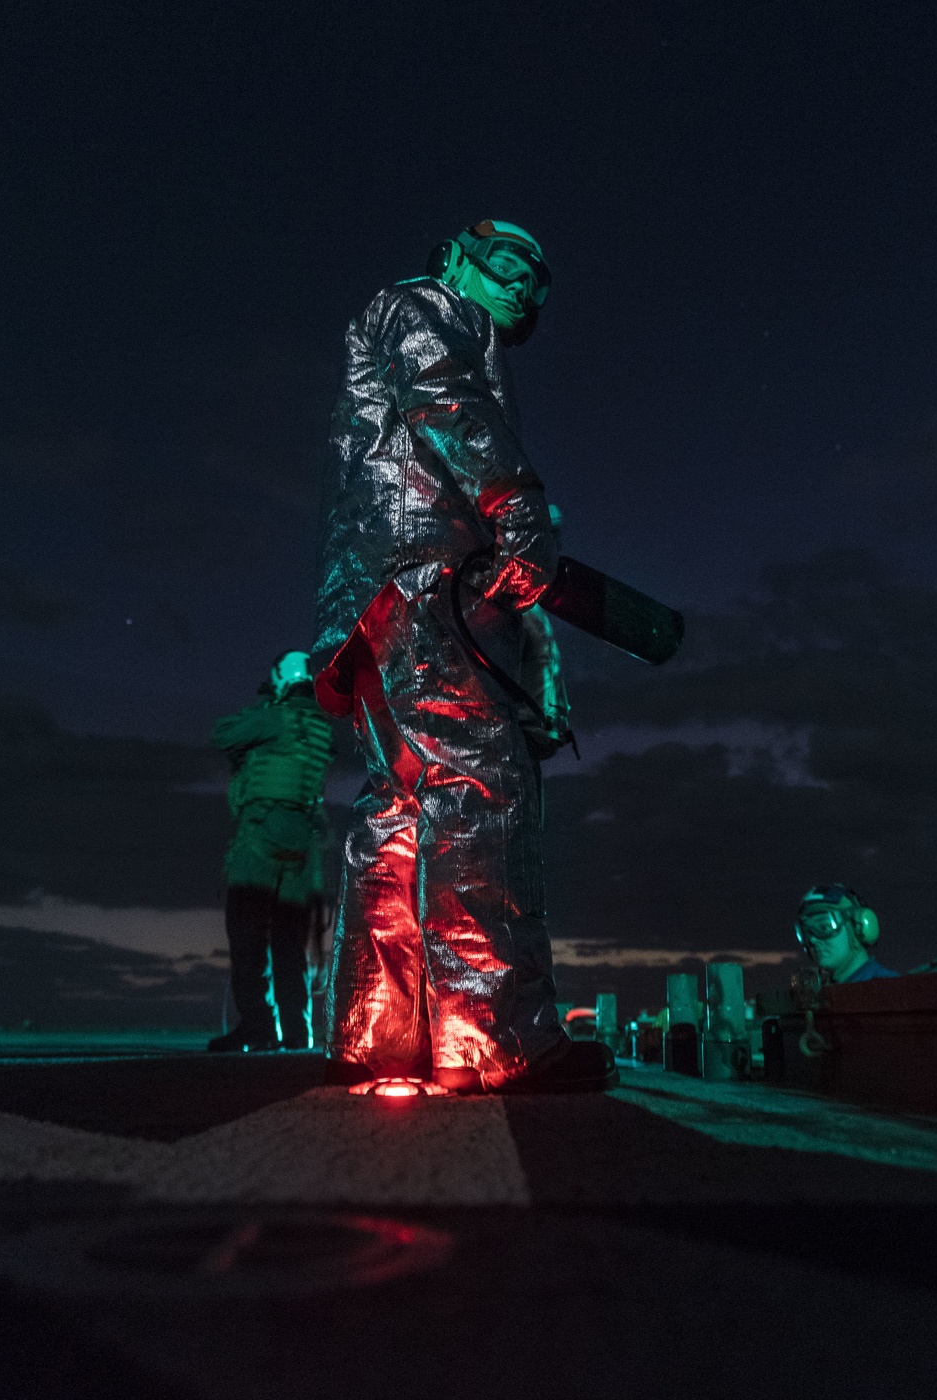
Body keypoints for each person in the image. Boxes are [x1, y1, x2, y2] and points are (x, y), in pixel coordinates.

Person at [312, 218, 615, 1093]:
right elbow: (449, 400)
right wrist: (519, 508)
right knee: (482, 784)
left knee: (400, 805)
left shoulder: (405, 318)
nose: (523, 284)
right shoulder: (425, 307)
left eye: (535, 279)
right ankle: (498, 1038)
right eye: (507, 264)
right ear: (455, 257)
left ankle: (379, 1032)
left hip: (376, 595)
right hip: (432, 578)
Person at [208, 650, 335, 1052]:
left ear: (281, 679)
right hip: (301, 847)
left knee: (246, 932)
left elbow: (222, 733)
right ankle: (297, 1033)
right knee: (289, 942)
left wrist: (264, 705)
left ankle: (259, 1027)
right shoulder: (319, 727)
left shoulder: (276, 719)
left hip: (262, 837)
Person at [794, 883, 898, 984]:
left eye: (824, 927)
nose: (812, 940)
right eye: (807, 932)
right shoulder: (821, 994)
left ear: (857, 927)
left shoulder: (891, 990)